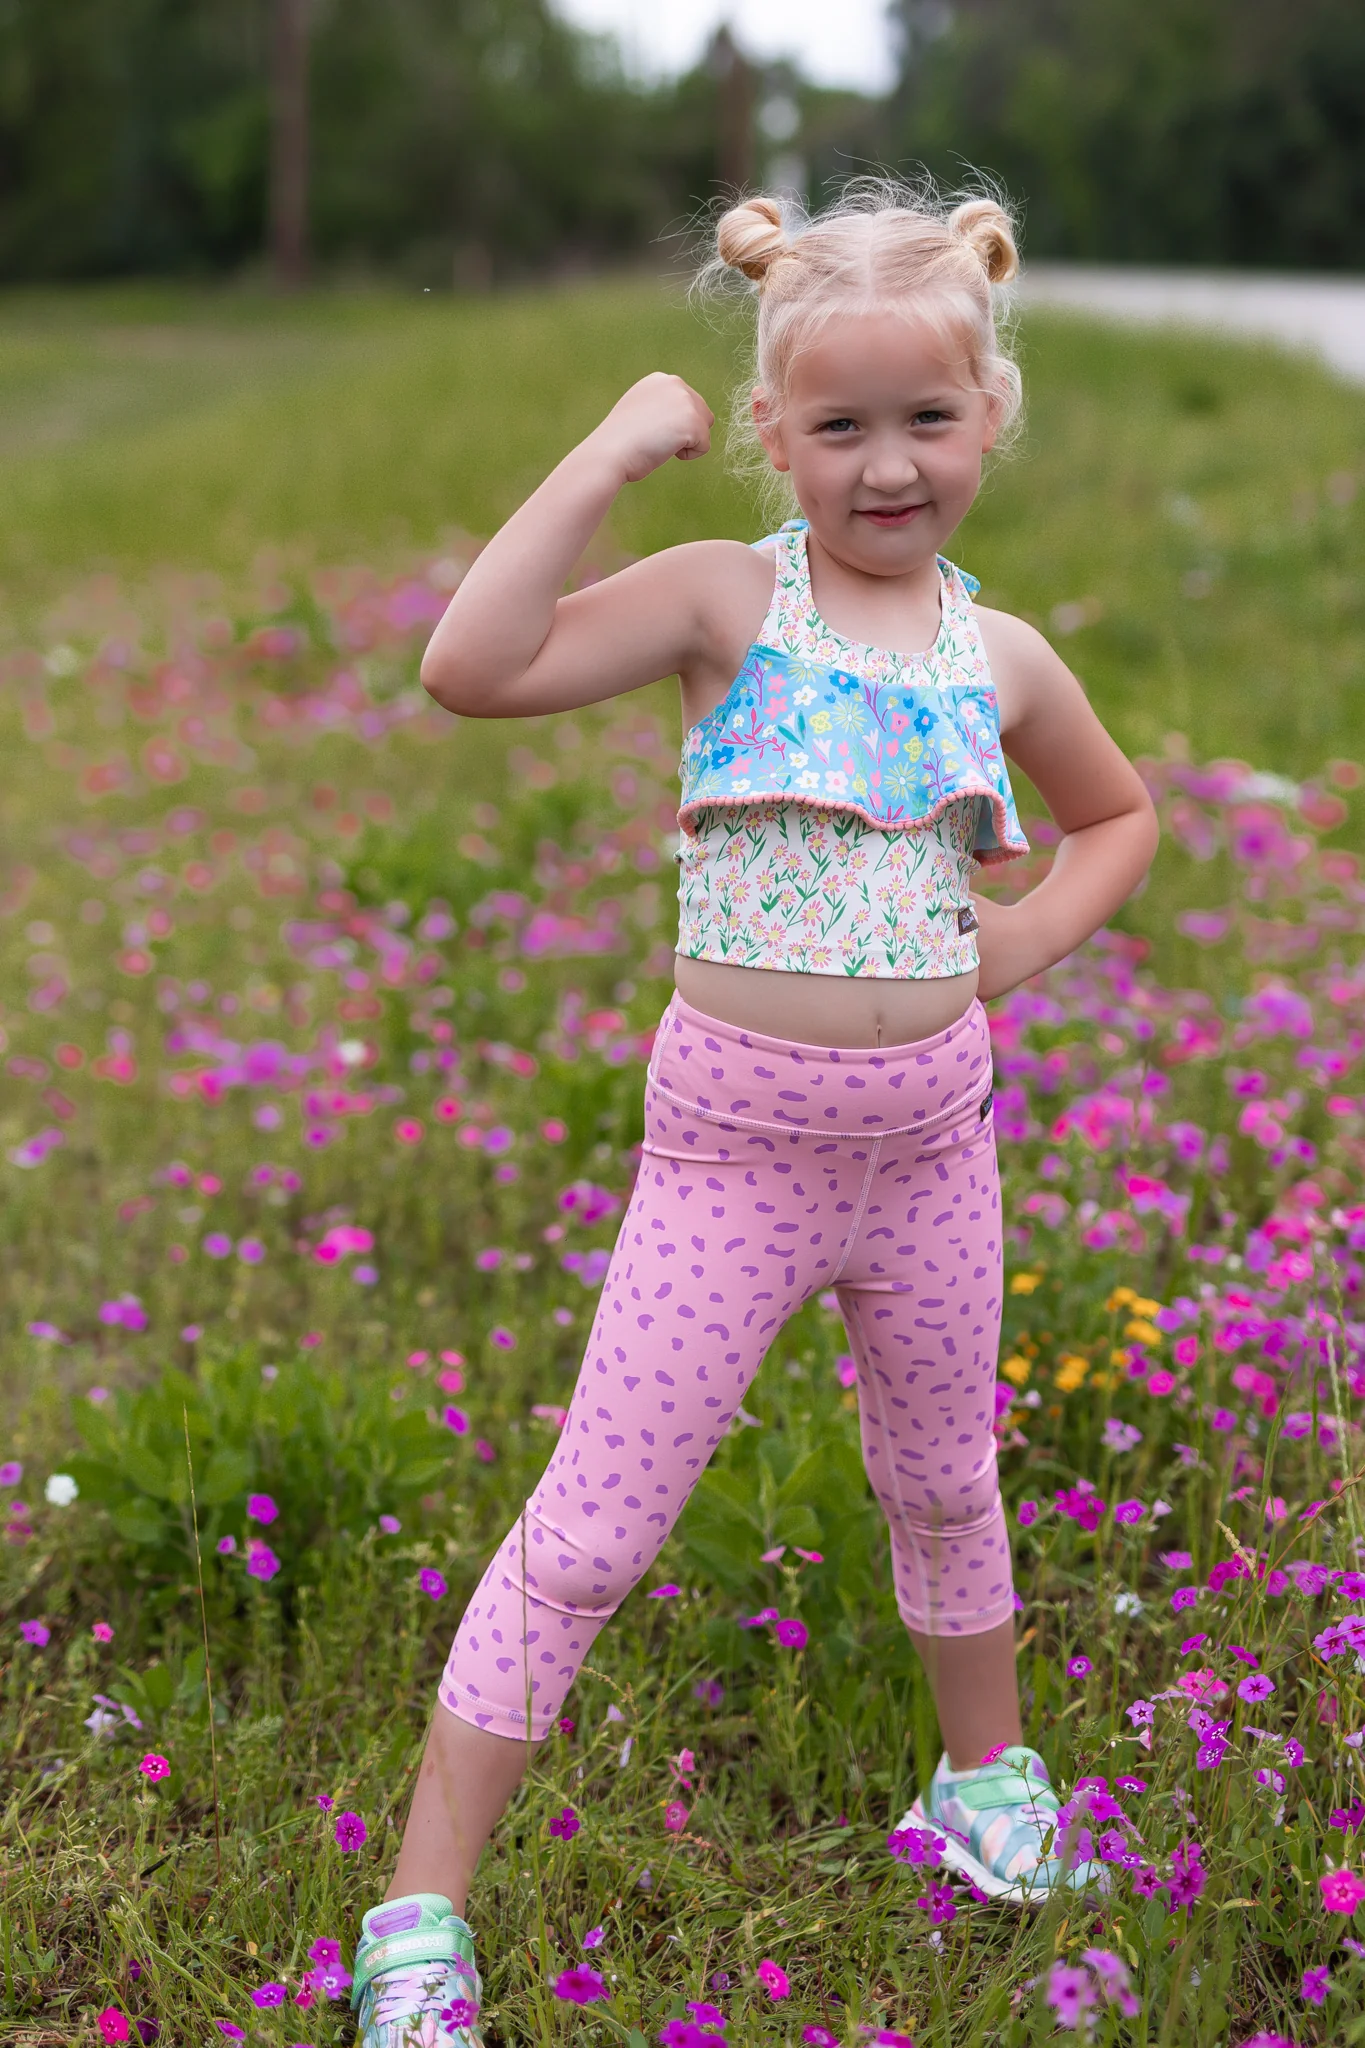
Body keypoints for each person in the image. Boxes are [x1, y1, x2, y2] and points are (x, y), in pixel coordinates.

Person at [350, 179, 1159, 2045]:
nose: (890, 466)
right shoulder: (732, 602)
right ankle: (418, 1913)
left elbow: (1117, 817)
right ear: (778, 435)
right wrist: (608, 452)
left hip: (931, 1151)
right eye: (843, 426)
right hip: (735, 1155)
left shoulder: (1001, 652)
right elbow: (469, 668)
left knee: (950, 1480)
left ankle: (985, 1797)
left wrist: (1016, 942)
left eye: (929, 420)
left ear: (991, 418)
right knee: (592, 1530)